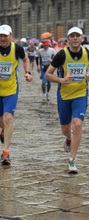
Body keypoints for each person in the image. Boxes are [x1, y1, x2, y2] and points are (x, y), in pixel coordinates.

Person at [0, 24, 32, 165]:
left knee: (8, 117)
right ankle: (3, 130)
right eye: (1, 36)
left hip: (11, 89)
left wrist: (28, 72)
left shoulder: (17, 49)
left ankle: (5, 152)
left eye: (5, 35)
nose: (3, 38)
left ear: (11, 36)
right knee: (0, 122)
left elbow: (26, 59)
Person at [45, 27, 89, 173]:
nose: (75, 38)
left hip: (81, 95)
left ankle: (72, 160)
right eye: (72, 36)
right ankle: (68, 138)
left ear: (82, 38)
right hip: (64, 96)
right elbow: (48, 75)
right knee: (65, 129)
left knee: (77, 125)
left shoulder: (87, 53)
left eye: (78, 36)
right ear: (68, 39)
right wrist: (62, 80)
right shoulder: (62, 55)